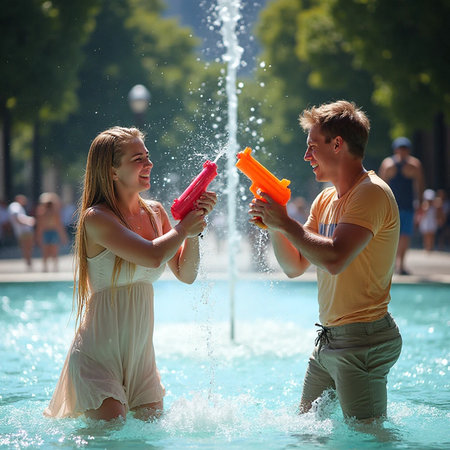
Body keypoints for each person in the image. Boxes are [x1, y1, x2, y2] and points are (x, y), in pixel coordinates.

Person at [44, 127, 217, 421]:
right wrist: (184, 227)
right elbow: (152, 255)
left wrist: (194, 229)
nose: (148, 164)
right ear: (112, 171)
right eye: (138, 159)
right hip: (96, 359)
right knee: (110, 439)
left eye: (147, 157)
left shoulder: (156, 213)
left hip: (142, 362)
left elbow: (186, 275)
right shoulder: (96, 218)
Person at [248, 100, 402, 421]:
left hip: (362, 342)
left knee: (368, 439)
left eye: (312, 147)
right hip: (330, 341)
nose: (307, 156)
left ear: (337, 144)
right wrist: (276, 224)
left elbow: (334, 258)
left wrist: (285, 222)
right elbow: (294, 266)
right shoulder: (326, 198)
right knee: (305, 430)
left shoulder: (371, 193)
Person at [378, 137, 424, 275]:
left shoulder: (414, 165)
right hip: (392, 206)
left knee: (405, 236)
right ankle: (391, 264)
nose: (402, 151)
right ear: (396, 149)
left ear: (408, 150)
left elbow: (420, 185)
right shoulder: (388, 165)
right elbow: (380, 185)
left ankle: (401, 265)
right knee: (391, 236)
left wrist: (420, 203)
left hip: (407, 206)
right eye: (400, 148)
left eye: (405, 149)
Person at [35, 192, 69, 272]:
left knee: (53, 251)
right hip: (48, 232)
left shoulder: (54, 213)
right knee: (46, 251)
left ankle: (53, 267)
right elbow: (40, 226)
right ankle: (47, 267)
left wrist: (63, 236)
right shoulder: (42, 212)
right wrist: (38, 236)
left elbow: (58, 225)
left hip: (51, 232)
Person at [7, 194, 36, 269]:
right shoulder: (15, 205)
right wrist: (28, 222)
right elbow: (16, 217)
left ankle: (29, 264)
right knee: (27, 248)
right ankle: (29, 264)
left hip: (24, 231)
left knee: (28, 248)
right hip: (24, 231)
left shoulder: (17, 206)